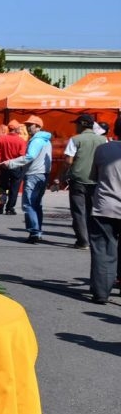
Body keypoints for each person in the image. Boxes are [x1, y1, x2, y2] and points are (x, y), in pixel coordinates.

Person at [0, 115, 53, 244]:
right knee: (36, 205)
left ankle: (34, 232)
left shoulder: (36, 140)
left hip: (34, 174)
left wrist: (10, 163)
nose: (28, 128)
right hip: (42, 174)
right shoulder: (46, 140)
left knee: (29, 204)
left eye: (31, 125)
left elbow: (29, 156)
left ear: (38, 126)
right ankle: (37, 231)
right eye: (28, 125)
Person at [61, 114, 107, 250]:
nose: (75, 126)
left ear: (82, 124)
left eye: (77, 124)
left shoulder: (75, 139)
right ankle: (94, 239)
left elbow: (68, 161)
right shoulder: (103, 140)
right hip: (96, 180)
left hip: (78, 179)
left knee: (79, 211)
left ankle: (83, 241)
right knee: (93, 211)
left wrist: (62, 176)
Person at [88, 116, 121, 304]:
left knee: (103, 249)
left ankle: (101, 292)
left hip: (106, 205)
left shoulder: (103, 149)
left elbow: (94, 176)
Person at [0, 120, 27, 215]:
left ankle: (0, 206)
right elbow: (22, 155)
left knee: (2, 188)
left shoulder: (1, 139)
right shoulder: (21, 141)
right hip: (16, 167)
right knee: (14, 188)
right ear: (16, 129)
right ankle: (10, 208)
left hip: (4, 166)